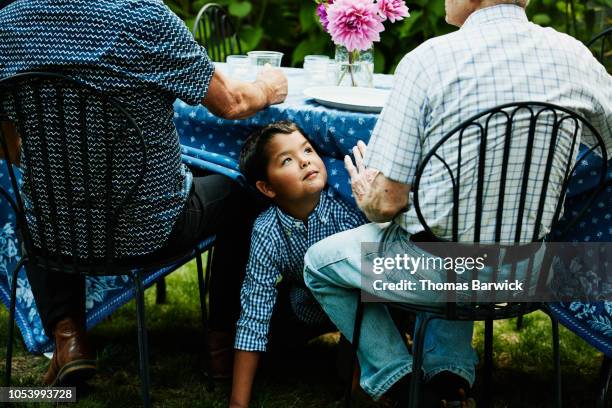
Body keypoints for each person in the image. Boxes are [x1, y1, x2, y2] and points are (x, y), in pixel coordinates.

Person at [304, 0, 612, 406]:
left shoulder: (428, 61)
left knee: (319, 264)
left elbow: (387, 203)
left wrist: (366, 192)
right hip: (530, 270)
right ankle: (450, 385)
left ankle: (399, 383)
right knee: (455, 235)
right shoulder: (576, 57)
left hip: (439, 273)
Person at [0, 0, 287, 386]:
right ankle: (223, 349)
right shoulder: (145, 18)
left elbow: (11, 149)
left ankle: (69, 339)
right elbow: (232, 103)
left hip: (57, 234)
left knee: (45, 202)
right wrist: (267, 88)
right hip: (151, 229)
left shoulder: (9, 22)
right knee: (244, 192)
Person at [229, 121, 368, 408]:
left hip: (361, 308)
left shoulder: (345, 209)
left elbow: (370, 285)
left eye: (307, 149)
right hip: (305, 305)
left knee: (350, 373)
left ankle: (365, 359)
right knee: (272, 359)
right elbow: (255, 308)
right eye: (288, 159)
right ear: (267, 187)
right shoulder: (267, 230)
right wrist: (238, 403)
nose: (305, 159)